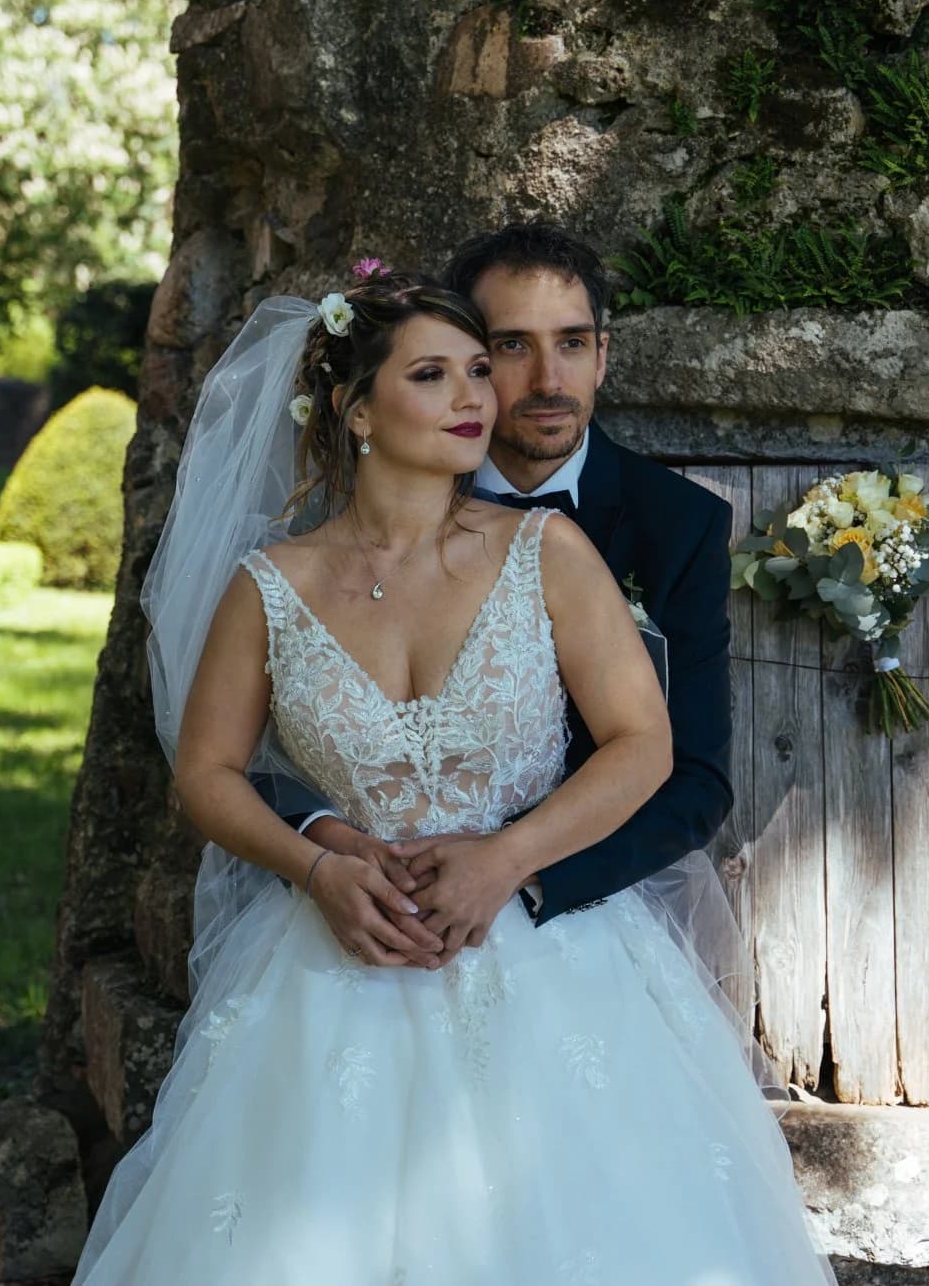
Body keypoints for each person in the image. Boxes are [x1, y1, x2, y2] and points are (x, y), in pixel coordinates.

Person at [72, 269, 834, 1284]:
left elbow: (642, 745)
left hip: (545, 948)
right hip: (339, 953)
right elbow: (207, 773)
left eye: (480, 370)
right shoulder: (271, 585)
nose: (477, 396)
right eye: (433, 375)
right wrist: (316, 867)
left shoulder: (546, 551)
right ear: (353, 412)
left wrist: (503, 860)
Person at [255, 223, 737, 966]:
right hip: (361, 913)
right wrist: (327, 841)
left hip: (574, 915)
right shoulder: (344, 517)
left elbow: (696, 776)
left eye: (573, 343)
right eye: (512, 347)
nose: (548, 379)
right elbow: (261, 742)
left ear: (603, 356)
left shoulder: (678, 525)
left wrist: (521, 871)